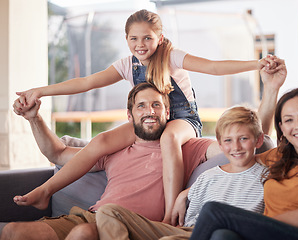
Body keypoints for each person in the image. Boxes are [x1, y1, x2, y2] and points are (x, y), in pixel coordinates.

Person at [14, 9, 278, 223]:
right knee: (101, 141)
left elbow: (213, 67)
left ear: (159, 38)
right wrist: (41, 91)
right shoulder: (127, 64)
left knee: (169, 140)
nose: (141, 45)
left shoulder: (172, 57)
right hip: (151, 120)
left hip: (181, 120)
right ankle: (45, 191)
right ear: (126, 40)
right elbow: (86, 82)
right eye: (134, 39)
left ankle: (170, 213)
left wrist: (257, 64)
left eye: (147, 38)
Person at [2, 82, 216, 240]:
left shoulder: (184, 148)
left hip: (132, 226)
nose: (149, 111)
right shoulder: (113, 151)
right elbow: (57, 154)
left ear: (167, 112)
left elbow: (229, 148)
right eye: (141, 106)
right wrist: (34, 118)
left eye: (156, 105)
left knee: (82, 236)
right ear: (129, 116)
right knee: (13, 232)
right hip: (91, 216)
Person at [189, 88, 298, 240]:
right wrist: (189, 191)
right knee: (222, 235)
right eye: (289, 120)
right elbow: (242, 155)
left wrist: (249, 222)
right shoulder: (278, 157)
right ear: (282, 128)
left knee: (213, 212)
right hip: (270, 235)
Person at [93, 105, 267, 240]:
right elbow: (187, 222)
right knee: (108, 211)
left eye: (243, 139)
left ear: (258, 140)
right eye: (229, 140)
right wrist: (184, 194)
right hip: (186, 232)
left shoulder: (267, 178)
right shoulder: (207, 177)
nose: (236, 147)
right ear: (220, 145)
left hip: (222, 234)